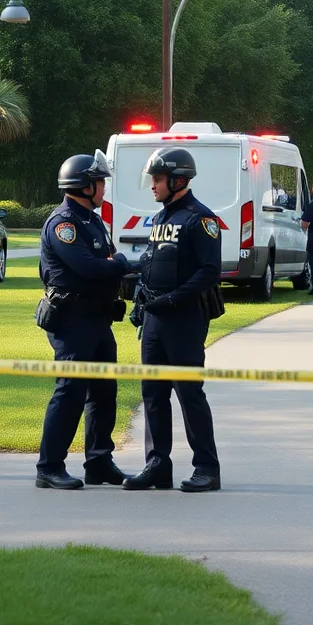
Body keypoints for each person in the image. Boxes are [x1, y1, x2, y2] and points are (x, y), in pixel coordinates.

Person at [124, 147, 223, 493]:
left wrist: (173, 298)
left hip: (184, 320)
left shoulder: (201, 220)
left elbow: (210, 272)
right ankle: (157, 466)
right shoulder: (162, 217)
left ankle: (207, 468)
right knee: (152, 393)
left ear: (178, 180)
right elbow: (153, 263)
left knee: (189, 394)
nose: (153, 185)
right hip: (154, 319)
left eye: (158, 179)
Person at [35, 152, 131, 490]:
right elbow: (89, 267)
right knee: (70, 391)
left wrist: (111, 263)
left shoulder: (91, 219)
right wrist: (118, 263)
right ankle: (49, 466)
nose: (104, 187)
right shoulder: (64, 223)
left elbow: (100, 263)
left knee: (104, 392)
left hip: (98, 318)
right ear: (85, 185)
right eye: (100, 182)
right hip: (72, 318)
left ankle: (99, 462)